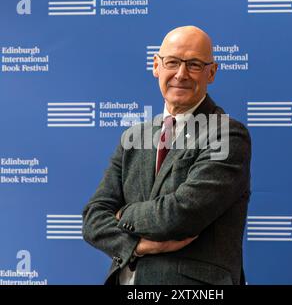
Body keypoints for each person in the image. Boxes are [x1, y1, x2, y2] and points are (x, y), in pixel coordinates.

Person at [82, 26, 251, 285]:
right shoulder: (134, 137)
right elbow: (93, 218)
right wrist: (138, 247)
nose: (181, 74)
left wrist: (122, 214)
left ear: (212, 72)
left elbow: (180, 215)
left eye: (194, 64)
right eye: (172, 62)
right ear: (156, 66)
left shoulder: (227, 135)